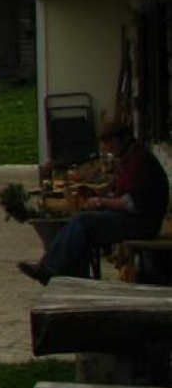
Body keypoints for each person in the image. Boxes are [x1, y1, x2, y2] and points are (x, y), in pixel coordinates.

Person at [17, 118, 170, 284]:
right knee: (82, 225)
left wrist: (102, 202)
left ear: (124, 139)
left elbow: (133, 203)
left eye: (110, 143)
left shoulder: (140, 161)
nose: (107, 148)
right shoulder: (129, 159)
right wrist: (102, 197)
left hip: (144, 222)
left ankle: (51, 269)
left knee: (83, 222)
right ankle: (71, 278)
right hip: (136, 218)